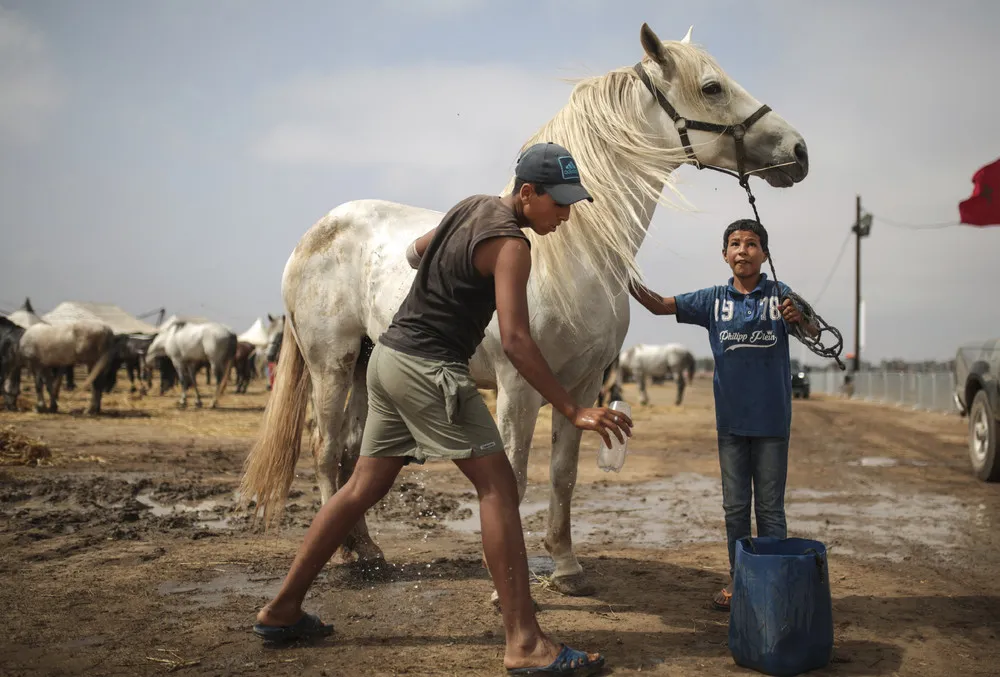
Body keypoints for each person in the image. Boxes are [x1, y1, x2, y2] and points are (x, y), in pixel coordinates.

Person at [252, 141, 632, 676]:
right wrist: (573, 409)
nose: (567, 216)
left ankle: (282, 608)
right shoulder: (513, 247)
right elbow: (518, 342)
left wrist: (450, 280)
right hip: (432, 370)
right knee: (498, 488)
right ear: (528, 193)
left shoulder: (469, 206)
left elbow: (413, 254)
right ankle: (525, 643)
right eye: (560, 204)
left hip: (389, 357)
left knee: (362, 486)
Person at [626, 218, 818, 612]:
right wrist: (621, 272)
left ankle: (774, 582)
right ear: (725, 254)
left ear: (765, 254)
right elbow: (660, 305)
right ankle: (740, 578)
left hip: (771, 423)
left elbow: (815, 333)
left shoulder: (781, 296)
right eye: (734, 244)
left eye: (751, 243)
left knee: (769, 508)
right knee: (734, 508)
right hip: (730, 424)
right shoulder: (712, 299)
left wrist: (799, 318)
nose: (742, 250)